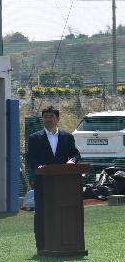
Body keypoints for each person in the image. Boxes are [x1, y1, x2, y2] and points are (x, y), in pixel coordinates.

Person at [25, 105, 81, 250]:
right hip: (43, 181)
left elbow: (75, 154)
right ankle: (42, 246)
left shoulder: (67, 137)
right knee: (42, 212)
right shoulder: (35, 138)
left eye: (51, 117)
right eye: (45, 117)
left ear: (58, 119)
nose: (48, 120)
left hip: (63, 183)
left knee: (64, 211)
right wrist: (39, 167)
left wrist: (72, 161)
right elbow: (30, 157)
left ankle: (65, 243)